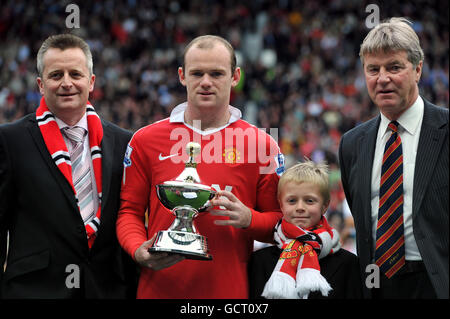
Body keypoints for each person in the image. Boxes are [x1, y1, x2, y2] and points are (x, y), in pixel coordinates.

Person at [116, 35, 284, 299]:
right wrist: (138, 249)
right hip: (157, 291)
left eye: (216, 73)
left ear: (235, 76)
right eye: (197, 73)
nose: (206, 82)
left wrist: (250, 219)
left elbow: (282, 222)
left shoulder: (261, 146)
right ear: (182, 76)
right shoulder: (144, 141)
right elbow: (129, 212)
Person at [0, 34, 136, 298]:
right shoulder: (9, 140)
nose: (66, 83)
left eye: (75, 73)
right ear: (40, 84)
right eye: (55, 75)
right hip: (35, 291)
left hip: (107, 291)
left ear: (91, 81)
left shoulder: (124, 142)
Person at [339, 17, 448, 299]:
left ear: (418, 69)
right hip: (376, 287)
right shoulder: (352, 144)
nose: (383, 78)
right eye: (373, 69)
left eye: (394, 67)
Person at [248, 160, 362, 299]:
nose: (300, 207)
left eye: (309, 201)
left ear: (325, 206)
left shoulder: (348, 263)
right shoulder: (259, 262)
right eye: (292, 201)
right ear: (281, 204)